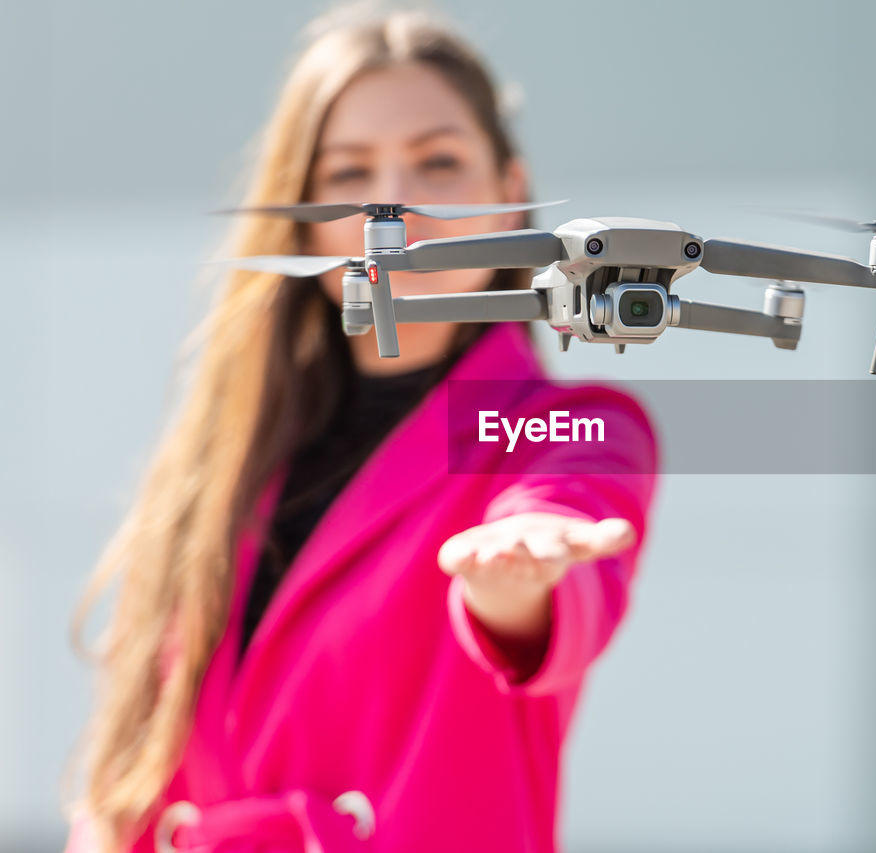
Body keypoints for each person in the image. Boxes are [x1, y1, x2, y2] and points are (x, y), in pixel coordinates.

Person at [62, 6, 659, 852]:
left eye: (438, 161)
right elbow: (131, 771)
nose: (393, 201)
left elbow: (565, 529)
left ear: (509, 193)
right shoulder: (223, 456)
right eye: (348, 172)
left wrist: (517, 585)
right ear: (303, 214)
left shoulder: (556, 423)